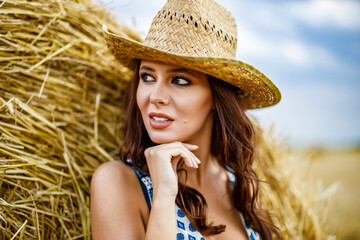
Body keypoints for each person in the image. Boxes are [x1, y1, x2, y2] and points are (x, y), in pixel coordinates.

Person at [91, 0, 281, 239]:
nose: (155, 96)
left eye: (180, 80)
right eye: (147, 76)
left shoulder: (239, 185)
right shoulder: (118, 183)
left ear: (216, 97)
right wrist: (163, 197)